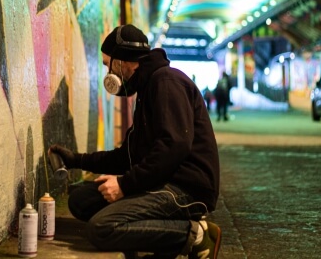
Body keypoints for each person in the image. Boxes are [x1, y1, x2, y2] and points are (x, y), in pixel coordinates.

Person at [49, 24, 221, 259]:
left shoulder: (166, 83)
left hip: (184, 189)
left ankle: (194, 235)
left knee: (102, 227)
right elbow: (127, 155)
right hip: (163, 180)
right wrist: (76, 160)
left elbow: (173, 147)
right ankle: (154, 237)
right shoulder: (148, 87)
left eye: (107, 64)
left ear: (120, 61)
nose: (107, 72)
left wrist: (124, 185)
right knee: (82, 200)